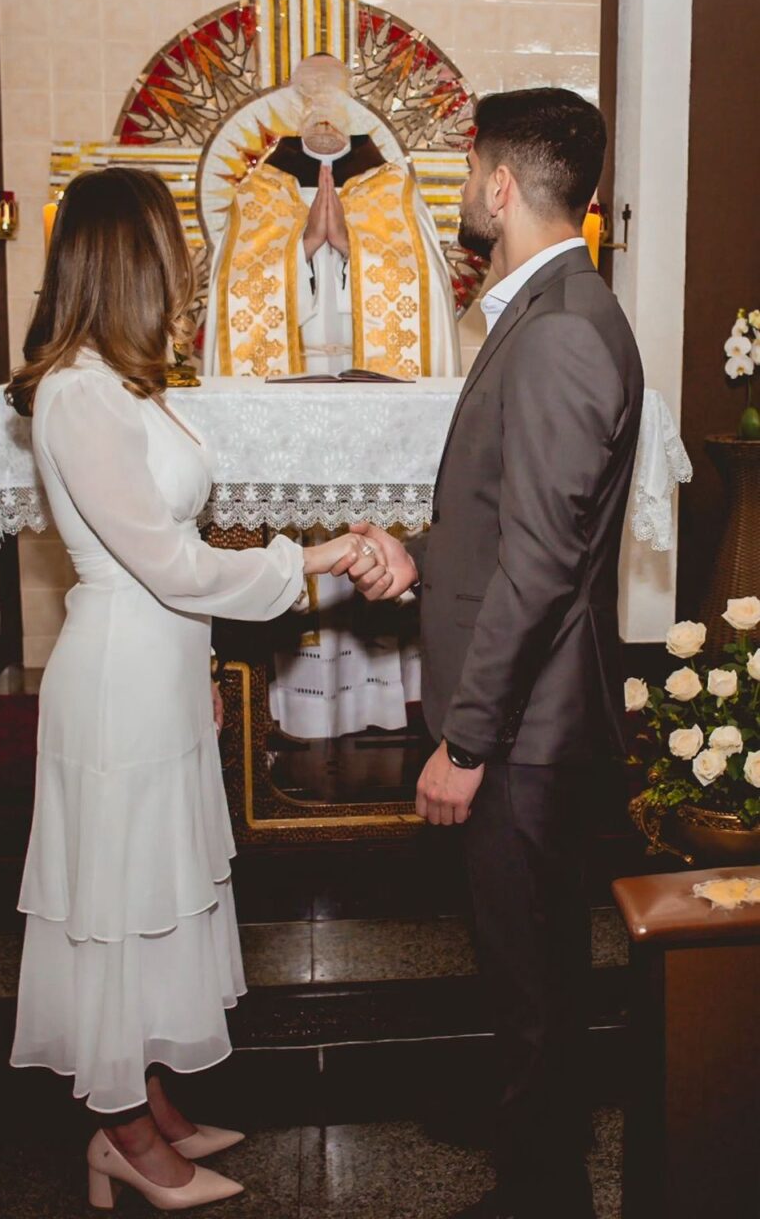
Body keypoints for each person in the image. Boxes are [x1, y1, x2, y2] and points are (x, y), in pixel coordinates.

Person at [5, 167, 378, 1213]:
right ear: (130, 258)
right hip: (118, 679)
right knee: (119, 903)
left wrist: (203, 665)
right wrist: (312, 558)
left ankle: (152, 1099)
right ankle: (121, 1133)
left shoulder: (123, 381)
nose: (185, 262)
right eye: (170, 244)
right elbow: (166, 564)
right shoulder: (78, 394)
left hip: (159, 666)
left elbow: (166, 553)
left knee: (156, 895)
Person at [345, 88, 644, 1219]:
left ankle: (543, 1189)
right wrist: (420, 558)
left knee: (533, 971)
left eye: (473, 170)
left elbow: (544, 562)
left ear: (502, 186)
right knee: (529, 957)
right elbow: (513, 523)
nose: (466, 188)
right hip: (528, 711)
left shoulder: (560, 327)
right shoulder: (550, 307)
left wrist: (467, 742)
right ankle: (529, 1116)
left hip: (524, 725)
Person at [203, 52, 459, 739]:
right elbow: (237, 284)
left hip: (368, 395)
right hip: (289, 398)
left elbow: (422, 285)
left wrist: (351, 251)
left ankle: (378, 695)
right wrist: (298, 250)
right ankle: (292, 699)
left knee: (372, 526)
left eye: (331, 95)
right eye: (310, 96)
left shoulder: (390, 183)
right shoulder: (261, 187)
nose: (322, 108)